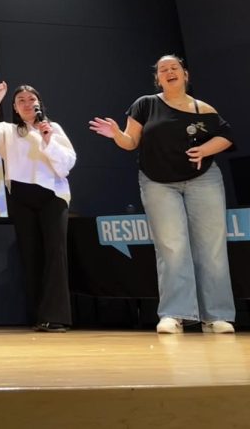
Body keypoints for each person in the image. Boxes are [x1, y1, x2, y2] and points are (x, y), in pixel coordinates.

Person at [90, 54, 237, 334]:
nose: (169, 72)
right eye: (162, 70)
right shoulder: (145, 104)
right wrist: (115, 134)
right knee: (171, 246)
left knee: (212, 247)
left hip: (203, 180)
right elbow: (131, 142)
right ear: (157, 78)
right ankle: (175, 313)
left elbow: (227, 136)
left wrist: (205, 150)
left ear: (185, 74)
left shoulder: (202, 108)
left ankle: (216, 315)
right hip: (158, 182)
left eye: (174, 68)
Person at [0, 81, 76, 331]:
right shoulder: (9, 131)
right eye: (20, 100)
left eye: (30, 99)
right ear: (14, 107)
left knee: (55, 254)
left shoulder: (52, 128)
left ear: (39, 104)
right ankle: (39, 315)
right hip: (22, 196)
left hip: (52, 196)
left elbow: (66, 165)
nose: (26, 103)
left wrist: (48, 141)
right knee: (31, 255)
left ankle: (56, 317)